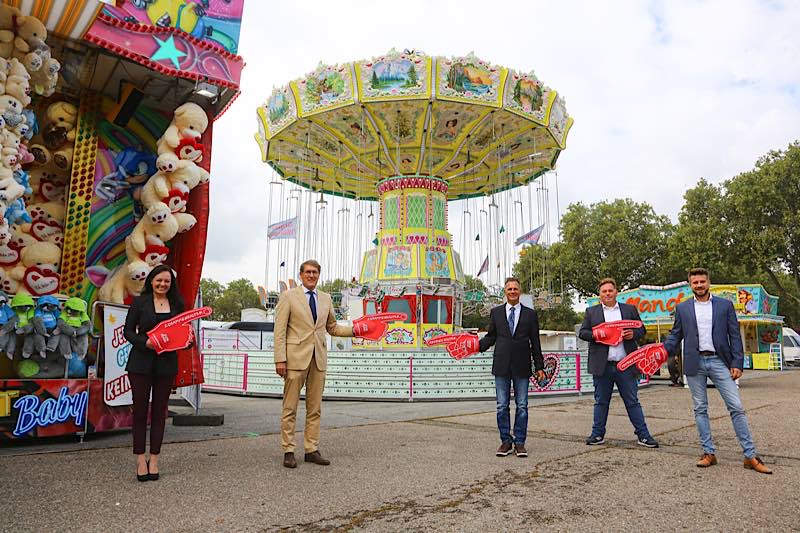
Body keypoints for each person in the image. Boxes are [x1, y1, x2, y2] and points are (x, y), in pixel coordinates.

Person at [663, 268, 772, 473]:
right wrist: (661, 352)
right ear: (690, 285)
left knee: (736, 406)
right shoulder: (683, 308)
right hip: (695, 363)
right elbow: (675, 336)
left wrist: (737, 363)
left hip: (720, 362)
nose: (699, 285)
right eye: (695, 283)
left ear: (708, 282)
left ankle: (750, 456)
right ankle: (708, 453)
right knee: (700, 409)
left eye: (702, 281)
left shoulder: (725, 305)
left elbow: (734, 335)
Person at [274, 259, 354, 468]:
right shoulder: (288, 297)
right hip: (294, 359)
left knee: (314, 408)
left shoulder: (326, 299)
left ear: (319, 275)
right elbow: (279, 331)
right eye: (308, 272)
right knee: (290, 407)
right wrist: (280, 359)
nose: (311, 276)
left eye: (315, 272)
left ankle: (311, 449)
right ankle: (288, 450)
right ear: (301, 275)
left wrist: (357, 330)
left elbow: (333, 327)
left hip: (318, 358)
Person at [578, 278, 659, 448]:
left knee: (632, 400)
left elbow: (641, 328)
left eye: (610, 290)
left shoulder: (628, 309)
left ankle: (643, 435)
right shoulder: (591, 312)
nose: (607, 294)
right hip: (603, 365)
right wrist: (597, 335)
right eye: (604, 291)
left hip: (626, 363)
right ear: (599, 294)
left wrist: (633, 334)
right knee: (601, 401)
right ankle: (597, 434)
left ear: (616, 292)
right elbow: (583, 333)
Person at [123, 265, 185, 482]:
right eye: (159, 280)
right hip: (140, 364)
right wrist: (146, 342)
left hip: (166, 366)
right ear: (151, 281)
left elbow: (182, 334)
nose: (162, 284)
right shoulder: (140, 303)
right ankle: (140, 458)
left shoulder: (177, 304)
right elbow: (128, 332)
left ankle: (155, 459)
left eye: (166, 281)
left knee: (160, 413)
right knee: (140, 412)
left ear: (171, 284)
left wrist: (187, 341)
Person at [478, 277, 545, 458]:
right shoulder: (496, 313)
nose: (513, 291)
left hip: (522, 366)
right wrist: (476, 346)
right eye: (509, 289)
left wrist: (540, 366)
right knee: (502, 406)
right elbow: (491, 337)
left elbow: (535, 342)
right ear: (505, 292)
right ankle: (506, 441)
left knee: (522, 405)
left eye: (516, 288)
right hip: (501, 365)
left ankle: (520, 443)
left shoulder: (530, 314)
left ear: (520, 292)